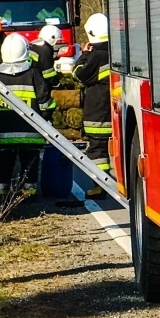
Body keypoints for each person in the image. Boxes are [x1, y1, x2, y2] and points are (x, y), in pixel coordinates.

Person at [0, 32, 52, 193]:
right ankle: (28, 193)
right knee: (29, 162)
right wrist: (45, 121)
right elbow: (45, 102)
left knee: (4, 161)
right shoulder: (33, 74)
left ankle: (0, 192)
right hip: (30, 132)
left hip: (3, 132)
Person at [70, 12, 112, 189]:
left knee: (97, 150)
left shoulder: (96, 56)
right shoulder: (116, 52)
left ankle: (99, 185)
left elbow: (78, 74)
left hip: (98, 112)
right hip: (111, 110)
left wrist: (84, 54)